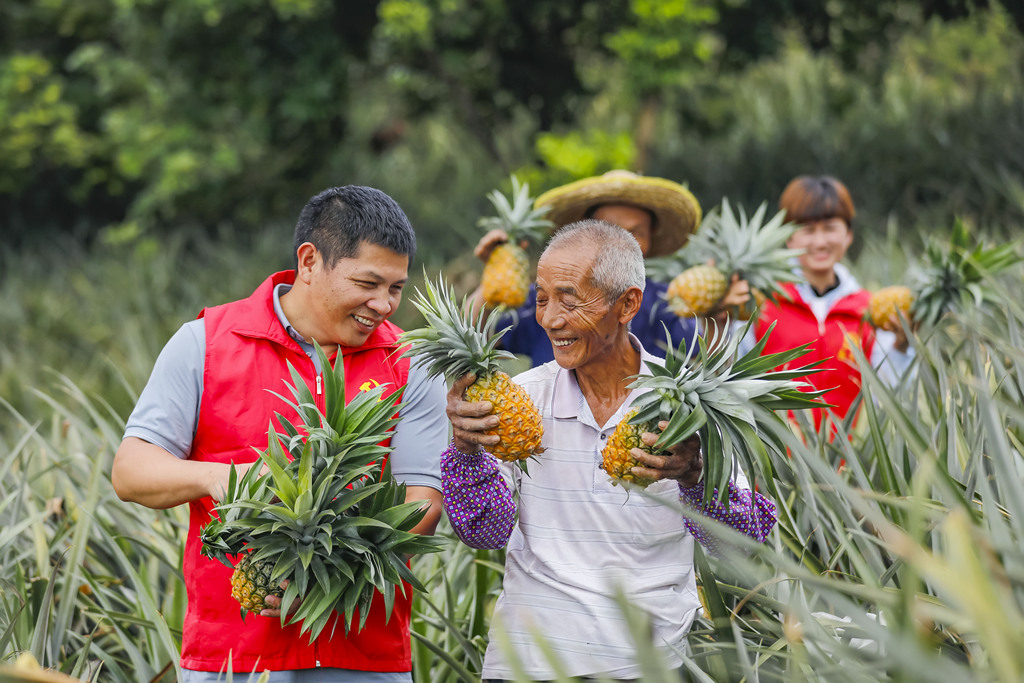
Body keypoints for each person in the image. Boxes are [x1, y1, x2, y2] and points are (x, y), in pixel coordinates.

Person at [110, 186, 447, 681]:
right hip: (231, 656)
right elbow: (131, 471)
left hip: (360, 655)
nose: (384, 305)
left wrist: (327, 579)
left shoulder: (409, 364)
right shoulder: (204, 343)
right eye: (368, 283)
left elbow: (422, 504)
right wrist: (218, 478)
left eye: (395, 288)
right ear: (310, 261)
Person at [441, 220, 777, 681]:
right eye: (541, 299)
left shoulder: (688, 405)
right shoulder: (521, 399)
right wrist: (467, 453)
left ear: (628, 304)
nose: (549, 319)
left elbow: (743, 543)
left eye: (570, 300)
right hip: (527, 663)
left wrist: (695, 476)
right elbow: (485, 532)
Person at [472, 170, 749, 364]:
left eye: (635, 232)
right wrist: (493, 279)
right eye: (610, 230)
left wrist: (719, 318)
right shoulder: (545, 299)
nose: (623, 243)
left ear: (650, 239)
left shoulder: (666, 302)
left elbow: (709, 362)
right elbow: (480, 338)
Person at [741, 175, 914, 428]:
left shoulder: (868, 309)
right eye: (808, 230)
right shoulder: (762, 302)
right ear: (789, 238)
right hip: (773, 462)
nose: (820, 241)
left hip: (850, 463)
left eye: (830, 228)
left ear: (848, 235)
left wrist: (901, 345)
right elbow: (730, 381)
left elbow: (889, 397)